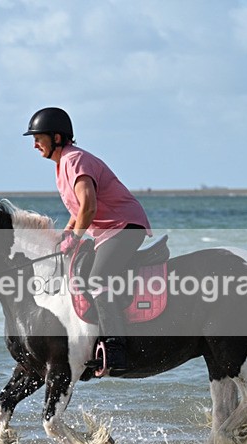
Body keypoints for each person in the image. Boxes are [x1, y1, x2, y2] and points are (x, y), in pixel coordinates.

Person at [23, 107, 152, 375]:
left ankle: (116, 349)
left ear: (57, 137)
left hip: (123, 226)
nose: (35, 145)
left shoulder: (75, 160)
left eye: (39, 138)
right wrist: (66, 234)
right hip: (106, 231)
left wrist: (77, 235)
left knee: (96, 279)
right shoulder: (62, 167)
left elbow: (89, 207)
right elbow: (77, 211)